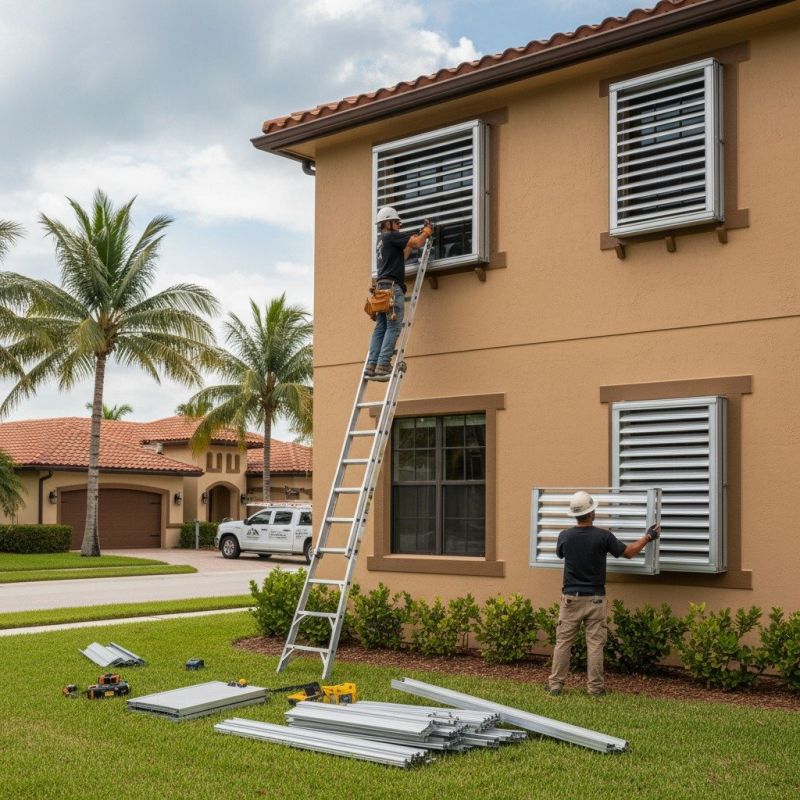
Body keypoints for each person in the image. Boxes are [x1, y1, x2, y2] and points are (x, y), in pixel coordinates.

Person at [547, 489, 660, 697]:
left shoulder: (564, 536)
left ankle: (555, 685)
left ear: (575, 514)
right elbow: (628, 553)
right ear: (592, 513)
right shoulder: (603, 537)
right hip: (596, 600)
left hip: (570, 598)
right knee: (595, 645)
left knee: (563, 643)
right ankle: (595, 688)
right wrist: (649, 536)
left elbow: (560, 553)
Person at [365, 207, 433, 381]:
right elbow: (418, 243)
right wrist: (425, 233)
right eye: (396, 222)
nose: (399, 225)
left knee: (380, 327)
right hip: (392, 290)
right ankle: (383, 365)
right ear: (387, 224)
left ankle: (372, 365)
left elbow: (403, 254)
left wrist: (416, 238)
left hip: (381, 289)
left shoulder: (382, 241)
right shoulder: (392, 236)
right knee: (394, 327)